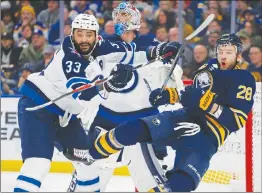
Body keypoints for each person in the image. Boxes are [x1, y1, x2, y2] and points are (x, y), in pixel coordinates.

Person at [65, 34, 256, 192]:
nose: (223, 56)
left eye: (229, 53)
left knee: (182, 184)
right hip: (182, 118)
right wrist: (169, 95)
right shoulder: (208, 68)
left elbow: (236, 121)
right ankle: (89, 155)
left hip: (206, 135)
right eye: (221, 51)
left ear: (239, 56)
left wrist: (207, 104)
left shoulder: (244, 79)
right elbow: (189, 96)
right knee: (129, 130)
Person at [14, 12, 178, 192]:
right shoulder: (70, 57)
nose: (84, 40)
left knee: (88, 164)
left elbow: (130, 53)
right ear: (72, 35)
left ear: (96, 36)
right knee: (38, 164)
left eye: (88, 35)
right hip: (39, 106)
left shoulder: (102, 45)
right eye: (79, 34)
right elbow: (84, 95)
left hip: (68, 114)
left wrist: (159, 51)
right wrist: (110, 85)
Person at [64, 2, 182, 192]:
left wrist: (169, 59)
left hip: (143, 117)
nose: (120, 20)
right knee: (90, 169)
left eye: (125, 16)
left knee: (148, 177)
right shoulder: (103, 44)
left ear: (136, 20)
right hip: (108, 116)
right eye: (118, 16)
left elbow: (170, 77)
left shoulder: (150, 45)